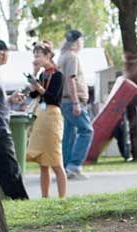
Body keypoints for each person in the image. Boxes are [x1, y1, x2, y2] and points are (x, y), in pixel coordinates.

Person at [26, 41, 67, 198]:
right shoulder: (42, 75)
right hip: (41, 116)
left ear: (48, 56)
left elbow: (51, 97)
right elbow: (33, 95)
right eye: (35, 55)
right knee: (43, 163)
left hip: (53, 116)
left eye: (39, 55)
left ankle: (62, 198)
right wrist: (34, 76)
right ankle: (45, 197)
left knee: (55, 160)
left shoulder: (58, 75)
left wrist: (38, 85)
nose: (36, 58)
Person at [0, 39, 29, 200]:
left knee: (5, 166)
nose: (6, 56)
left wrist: (10, 99)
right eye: (3, 52)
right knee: (10, 167)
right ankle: (21, 201)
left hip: (1, 124)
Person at [58, 30, 94, 180]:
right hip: (72, 101)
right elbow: (70, 80)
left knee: (69, 135)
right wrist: (76, 102)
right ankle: (74, 166)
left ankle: (65, 167)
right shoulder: (72, 57)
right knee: (87, 130)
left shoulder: (62, 57)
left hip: (64, 101)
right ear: (77, 42)